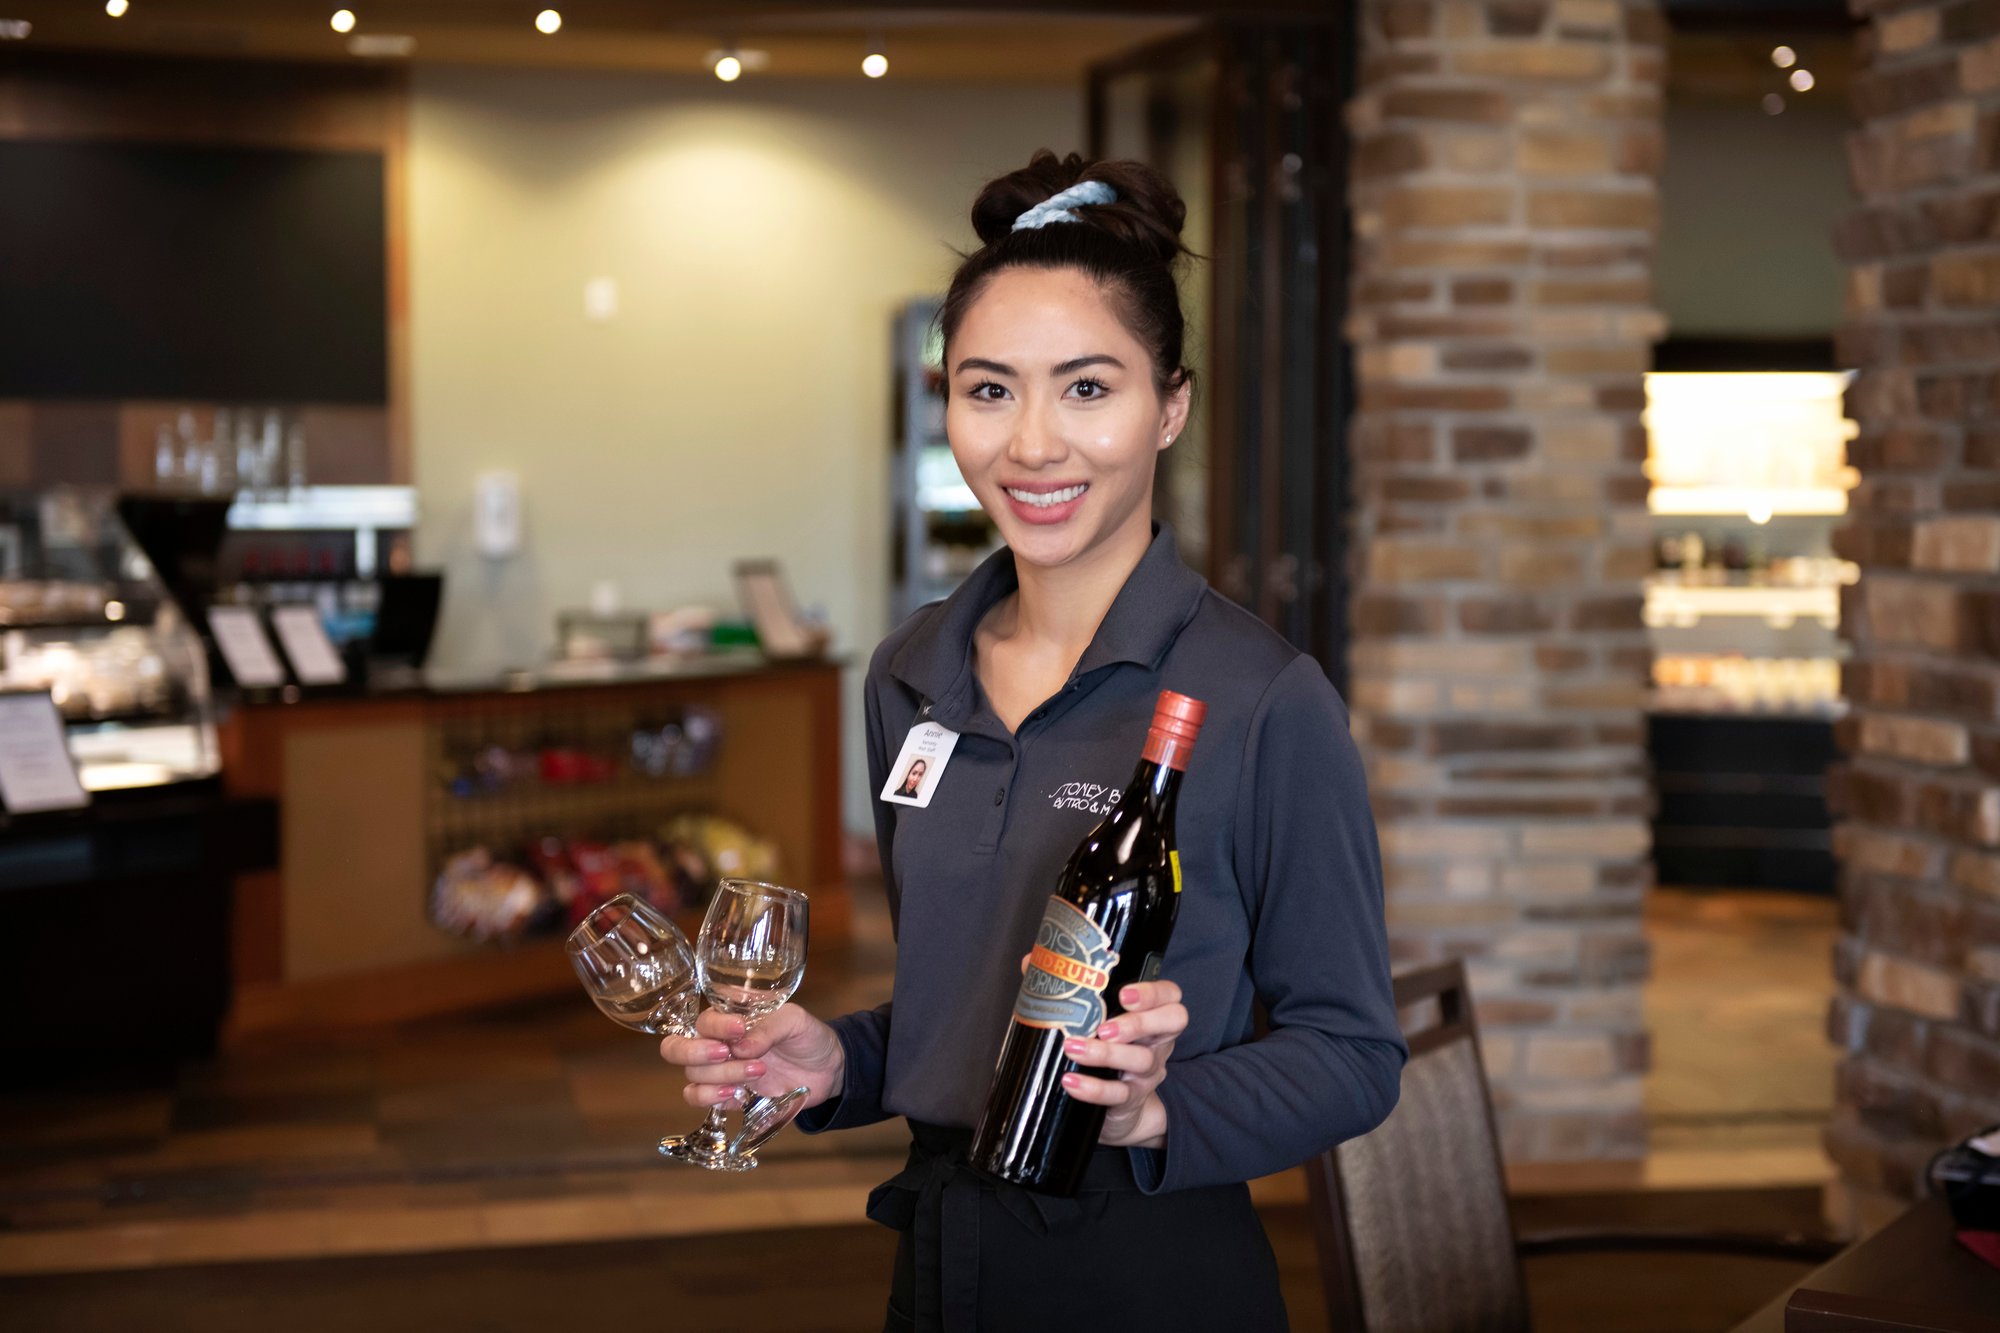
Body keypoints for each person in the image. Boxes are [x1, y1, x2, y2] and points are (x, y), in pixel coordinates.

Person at [659, 149, 1404, 1331]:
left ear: (1171, 405)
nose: (1032, 446)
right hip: (942, 1260)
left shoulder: (1263, 697)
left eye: (1088, 388)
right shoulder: (910, 674)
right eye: (989, 389)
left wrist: (1162, 1108)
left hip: (1150, 1266)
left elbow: (1352, 1050)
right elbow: (970, 997)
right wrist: (838, 1062)